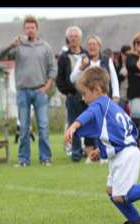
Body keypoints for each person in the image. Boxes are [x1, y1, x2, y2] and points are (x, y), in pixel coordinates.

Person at [64, 67, 140, 224]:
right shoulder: (112, 106)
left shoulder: (100, 103)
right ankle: (138, 222)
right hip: (124, 152)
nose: (83, 98)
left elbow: (88, 115)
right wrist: (102, 151)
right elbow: (123, 131)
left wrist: (74, 126)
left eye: (84, 93)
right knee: (111, 192)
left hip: (125, 155)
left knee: (121, 196)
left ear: (97, 90)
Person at [6, 15, 57, 167]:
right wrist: (12, 45)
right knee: (23, 127)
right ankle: (23, 159)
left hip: (40, 91)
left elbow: (52, 68)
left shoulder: (45, 46)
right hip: (22, 91)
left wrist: (47, 86)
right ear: (24, 29)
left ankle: (45, 158)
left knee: (43, 126)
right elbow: (3, 56)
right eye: (27, 28)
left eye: (32, 28)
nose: (29, 30)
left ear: (37, 29)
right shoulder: (19, 46)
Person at [56, 26, 97, 162]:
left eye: (76, 36)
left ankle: (91, 151)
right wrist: (66, 92)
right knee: (73, 124)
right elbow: (60, 79)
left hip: (88, 94)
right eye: (71, 36)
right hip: (72, 94)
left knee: (90, 122)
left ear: (80, 39)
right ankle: (76, 153)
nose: (73, 39)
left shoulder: (87, 55)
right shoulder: (63, 57)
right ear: (68, 39)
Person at [70, 34, 120, 104]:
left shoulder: (107, 60)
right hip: (86, 100)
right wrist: (81, 67)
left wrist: (116, 96)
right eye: (89, 45)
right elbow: (72, 79)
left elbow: (114, 79)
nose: (91, 47)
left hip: (104, 98)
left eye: (94, 44)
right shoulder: (82, 59)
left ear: (99, 46)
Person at [116, 45, 131, 114]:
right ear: (122, 54)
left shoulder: (133, 64)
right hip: (120, 95)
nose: (128, 56)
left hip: (131, 95)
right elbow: (115, 80)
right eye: (126, 54)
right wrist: (122, 75)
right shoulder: (117, 65)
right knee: (120, 114)